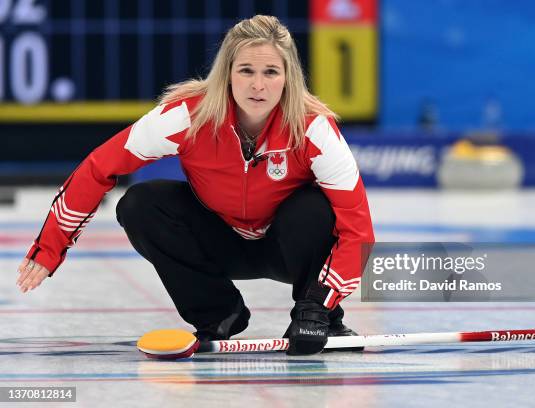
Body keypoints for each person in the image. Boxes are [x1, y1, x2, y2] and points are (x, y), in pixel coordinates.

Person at [16, 15, 374, 355]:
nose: (258, 85)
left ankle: (322, 319)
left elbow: (359, 230)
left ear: (288, 77)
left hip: (289, 251)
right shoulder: (187, 115)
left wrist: (318, 305)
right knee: (139, 203)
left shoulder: (314, 128)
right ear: (227, 74)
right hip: (220, 243)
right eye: (245, 70)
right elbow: (98, 167)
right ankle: (218, 314)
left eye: (271, 72)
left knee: (315, 209)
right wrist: (49, 249)